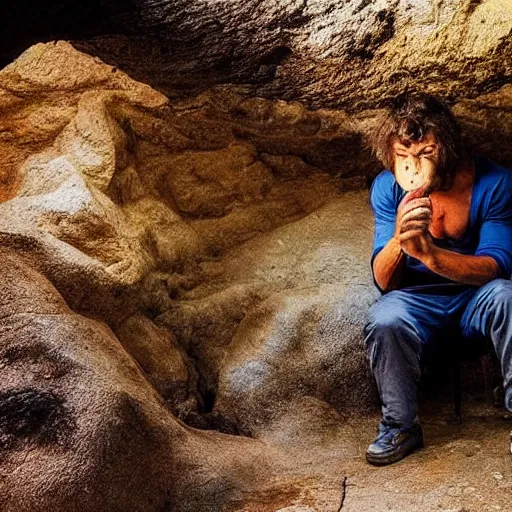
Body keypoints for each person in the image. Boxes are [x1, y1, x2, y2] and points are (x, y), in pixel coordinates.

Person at [364, 92, 512, 466]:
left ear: (446, 146)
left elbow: (495, 266)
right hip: (418, 302)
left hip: (476, 297)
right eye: (403, 156)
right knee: (384, 316)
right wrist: (400, 241)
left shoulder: (495, 182)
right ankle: (400, 426)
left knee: (508, 297)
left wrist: (429, 254)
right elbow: (385, 282)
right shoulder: (387, 187)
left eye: (425, 153)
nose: (412, 165)